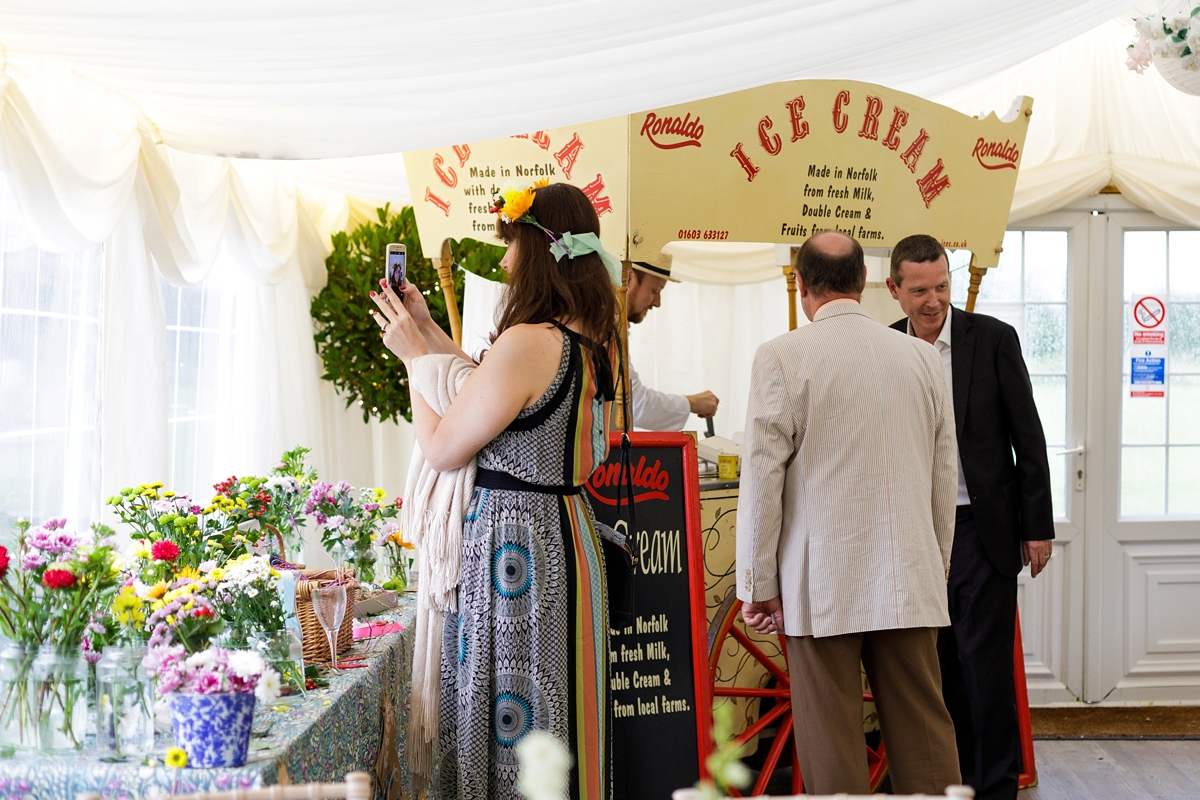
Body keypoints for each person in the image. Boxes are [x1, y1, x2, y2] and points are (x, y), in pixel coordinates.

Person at [370, 181, 618, 800]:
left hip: (517, 553)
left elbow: (444, 444)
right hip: (569, 540)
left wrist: (411, 365)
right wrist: (426, 330)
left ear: (536, 250)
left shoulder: (529, 341)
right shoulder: (593, 341)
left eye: (510, 247)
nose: (504, 263)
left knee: (508, 714)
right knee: (563, 712)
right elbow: (486, 390)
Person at [736, 230, 961, 795]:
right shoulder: (922, 356)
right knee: (927, 739)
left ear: (802, 285)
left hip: (823, 584)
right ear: (864, 283)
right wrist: (935, 565)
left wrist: (757, 583)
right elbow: (941, 476)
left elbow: (762, 478)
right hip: (910, 576)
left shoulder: (781, 357)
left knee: (832, 742)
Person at [887, 234, 1054, 800]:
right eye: (919, 290)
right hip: (915, 536)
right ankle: (949, 784)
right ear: (895, 290)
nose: (933, 301)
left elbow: (1028, 439)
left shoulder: (993, 340)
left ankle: (997, 786)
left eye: (941, 287)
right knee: (934, 671)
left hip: (983, 531)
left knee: (985, 670)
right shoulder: (885, 348)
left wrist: (1037, 527)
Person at [624, 256, 719, 429]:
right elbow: (633, 404)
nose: (657, 302)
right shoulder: (602, 330)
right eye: (655, 290)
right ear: (629, 278)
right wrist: (691, 403)